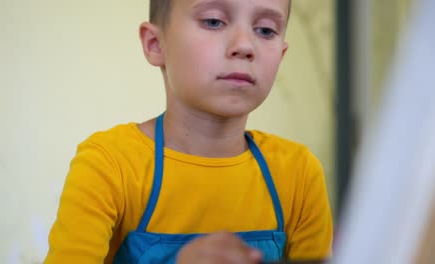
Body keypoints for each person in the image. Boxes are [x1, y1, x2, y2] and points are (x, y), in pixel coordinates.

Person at [44, 0, 333, 263]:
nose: (245, 45)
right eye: (213, 22)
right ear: (156, 44)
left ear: (281, 55)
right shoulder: (109, 164)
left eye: (266, 30)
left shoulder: (299, 174)